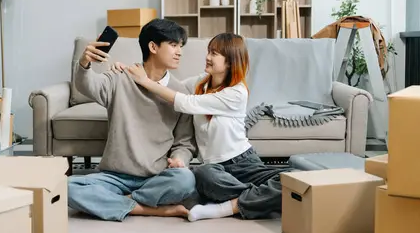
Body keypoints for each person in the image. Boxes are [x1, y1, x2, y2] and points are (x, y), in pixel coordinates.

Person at [120, 32, 292, 222]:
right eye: (209, 51)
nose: (208, 57)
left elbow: (185, 102)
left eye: (215, 54)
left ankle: (227, 207)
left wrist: (144, 81)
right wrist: (129, 73)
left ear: (230, 61)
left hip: (244, 163)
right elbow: (172, 87)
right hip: (214, 170)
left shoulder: (237, 93)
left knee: (295, 179)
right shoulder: (201, 83)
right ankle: (260, 199)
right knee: (201, 174)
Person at [67, 19, 198, 222]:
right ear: (153, 47)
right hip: (115, 177)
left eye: (180, 46)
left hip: (157, 177)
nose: (179, 51)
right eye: (173, 45)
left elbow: (185, 142)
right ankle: (149, 208)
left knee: (186, 180)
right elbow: (88, 86)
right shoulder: (120, 77)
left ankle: (118, 203)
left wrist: (180, 159)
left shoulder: (179, 93)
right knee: (68, 187)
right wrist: (85, 63)